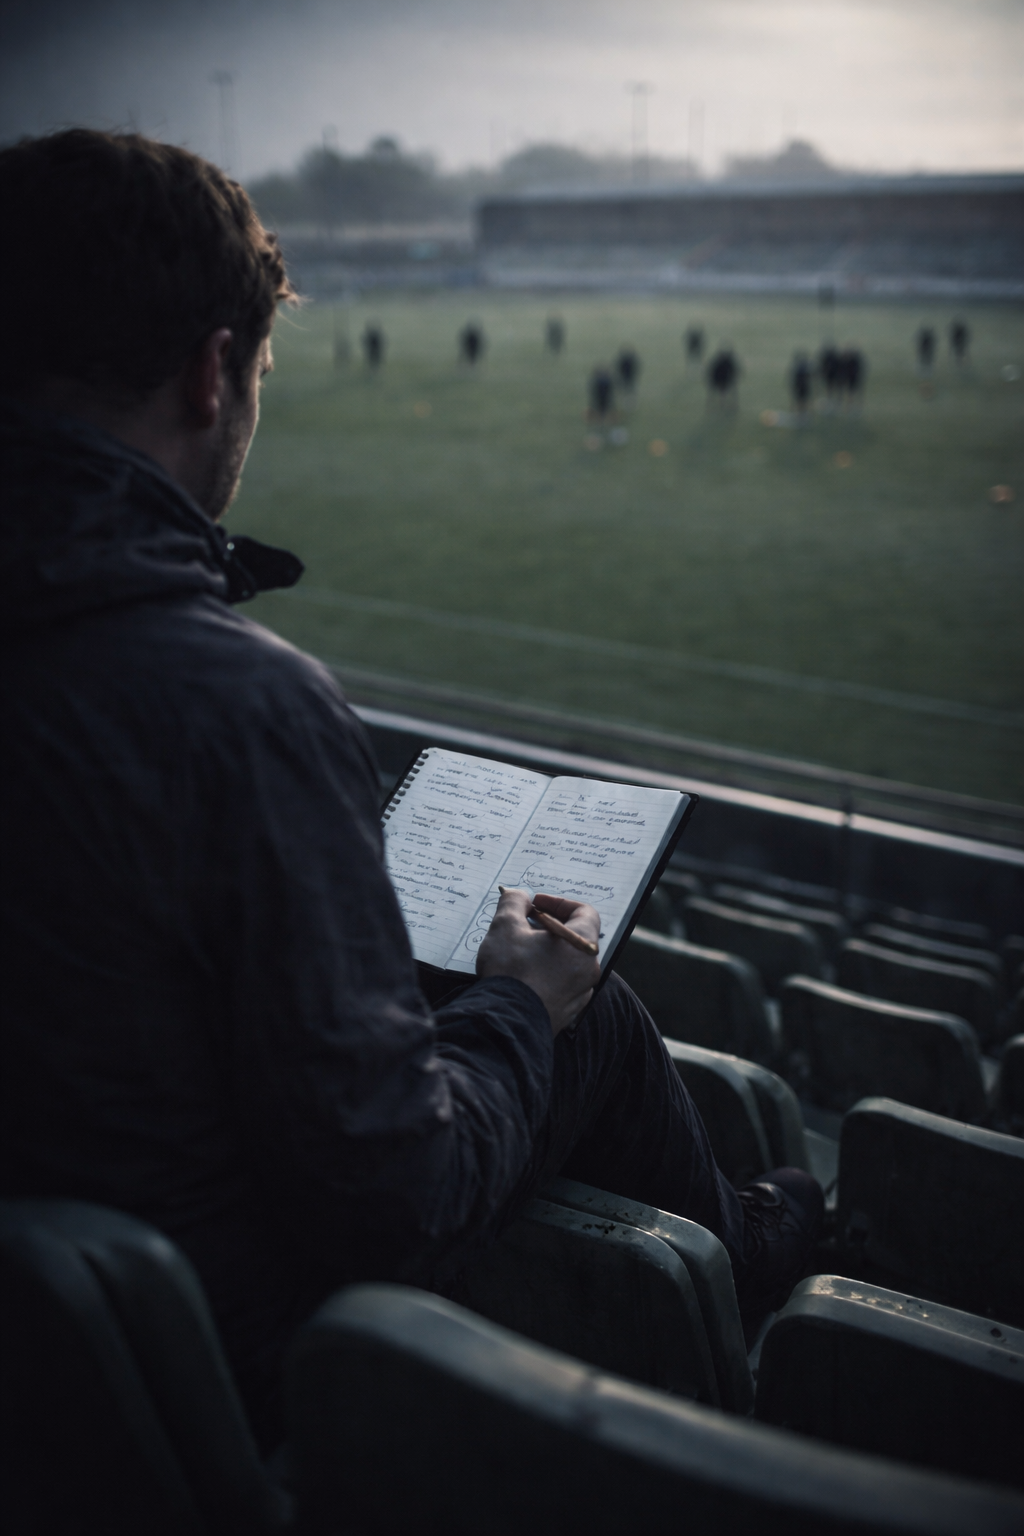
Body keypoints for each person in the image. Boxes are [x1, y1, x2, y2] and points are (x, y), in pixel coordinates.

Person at [0, 130, 822, 1451]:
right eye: (261, 374)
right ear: (213, 372)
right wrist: (523, 1001)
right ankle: (754, 1253)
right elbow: (398, 1201)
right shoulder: (241, 708)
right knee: (574, 1004)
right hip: (204, 1385)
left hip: (57, 1330)